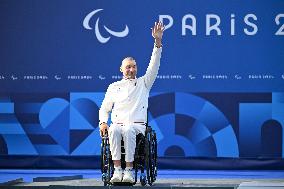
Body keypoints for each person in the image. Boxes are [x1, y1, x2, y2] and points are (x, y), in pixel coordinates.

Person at [99, 21, 165, 183]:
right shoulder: (114, 86)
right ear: (121, 69)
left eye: (134, 67)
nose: (131, 69)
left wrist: (157, 42)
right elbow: (104, 108)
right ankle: (117, 170)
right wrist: (102, 122)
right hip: (118, 124)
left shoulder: (144, 83)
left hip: (137, 126)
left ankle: (128, 170)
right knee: (113, 129)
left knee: (128, 129)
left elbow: (154, 64)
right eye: (128, 67)